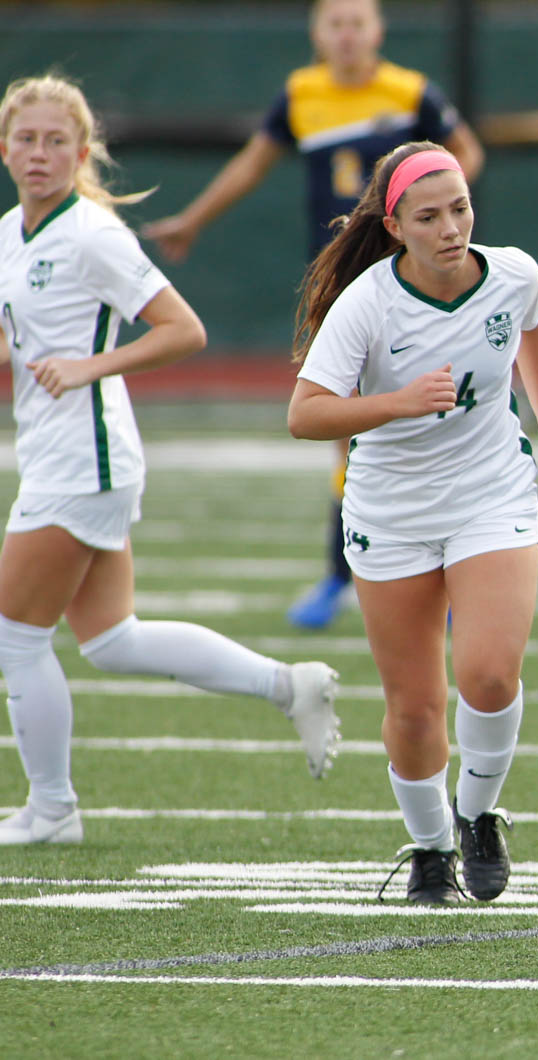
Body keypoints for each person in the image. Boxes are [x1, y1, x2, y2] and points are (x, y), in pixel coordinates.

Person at [0, 74, 341, 845]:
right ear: (4, 148)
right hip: (65, 454)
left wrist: (86, 366)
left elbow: (183, 329)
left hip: (85, 459)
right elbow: (21, 342)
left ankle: (52, 809)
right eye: (27, 139)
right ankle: (290, 686)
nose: (40, 153)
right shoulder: (8, 236)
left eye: (57, 141)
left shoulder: (92, 233)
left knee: (14, 636)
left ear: (81, 152)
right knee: (111, 640)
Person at [287, 142, 538, 902]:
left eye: (460, 208)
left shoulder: (512, 272)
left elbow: (535, 327)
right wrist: (397, 402)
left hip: (491, 493)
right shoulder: (368, 303)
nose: (451, 227)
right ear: (394, 227)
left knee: (487, 674)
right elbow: (305, 414)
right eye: (429, 216)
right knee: (415, 710)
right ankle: (427, 850)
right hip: (390, 509)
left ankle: (477, 816)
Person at [143, 0, 484, 632]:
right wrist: (193, 219)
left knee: (444, 415)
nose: (348, 34)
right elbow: (252, 163)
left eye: (360, 22)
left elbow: (465, 152)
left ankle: (463, 567)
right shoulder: (302, 95)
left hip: (416, 291)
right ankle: (339, 573)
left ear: (379, 31)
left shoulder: (410, 93)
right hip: (343, 294)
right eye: (336, 23)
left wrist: (442, 217)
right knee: (348, 431)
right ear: (317, 34)